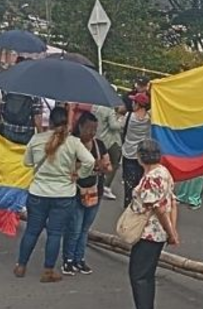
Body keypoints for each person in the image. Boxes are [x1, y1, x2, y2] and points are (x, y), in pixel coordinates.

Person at [15, 107, 95, 282]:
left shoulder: (37, 139)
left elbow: (27, 163)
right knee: (55, 233)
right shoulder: (73, 142)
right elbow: (90, 161)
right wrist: (79, 174)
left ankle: (21, 265)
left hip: (38, 192)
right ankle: (48, 271)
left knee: (31, 231)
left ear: (50, 122)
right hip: (63, 194)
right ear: (67, 123)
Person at [125, 139, 179, 309]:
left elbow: (158, 209)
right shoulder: (164, 172)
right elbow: (172, 202)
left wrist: (171, 232)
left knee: (138, 274)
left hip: (148, 232)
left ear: (141, 157)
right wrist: (172, 229)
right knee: (147, 275)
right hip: (159, 232)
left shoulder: (150, 179)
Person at [63, 112, 110, 276]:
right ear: (81, 126)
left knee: (84, 229)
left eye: (95, 129)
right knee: (74, 228)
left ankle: (79, 258)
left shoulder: (99, 145)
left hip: (95, 191)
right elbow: (66, 165)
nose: (92, 132)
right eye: (89, 128)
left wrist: (103, 167)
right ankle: (68, 259)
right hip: (76, 191)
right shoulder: (72, 143)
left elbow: (108, 165)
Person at [120, 93, 153, 207]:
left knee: (129, 181)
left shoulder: (129, 116)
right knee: (140, 180)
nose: (132, 104)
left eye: (134, 102)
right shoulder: (149, 118)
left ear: (138, 104)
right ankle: (138, 203)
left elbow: (121, 127)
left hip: (128, 152)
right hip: (142, 153)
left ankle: (128, 203)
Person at [92, 104, 125, 200]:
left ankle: (99, 183)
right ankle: (106, 186)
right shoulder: (109, 110)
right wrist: (121, 122)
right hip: (111, 140)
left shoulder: (96, 108)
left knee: (100, 162)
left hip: (99, 137)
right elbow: (113, 125)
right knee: (114, 163)